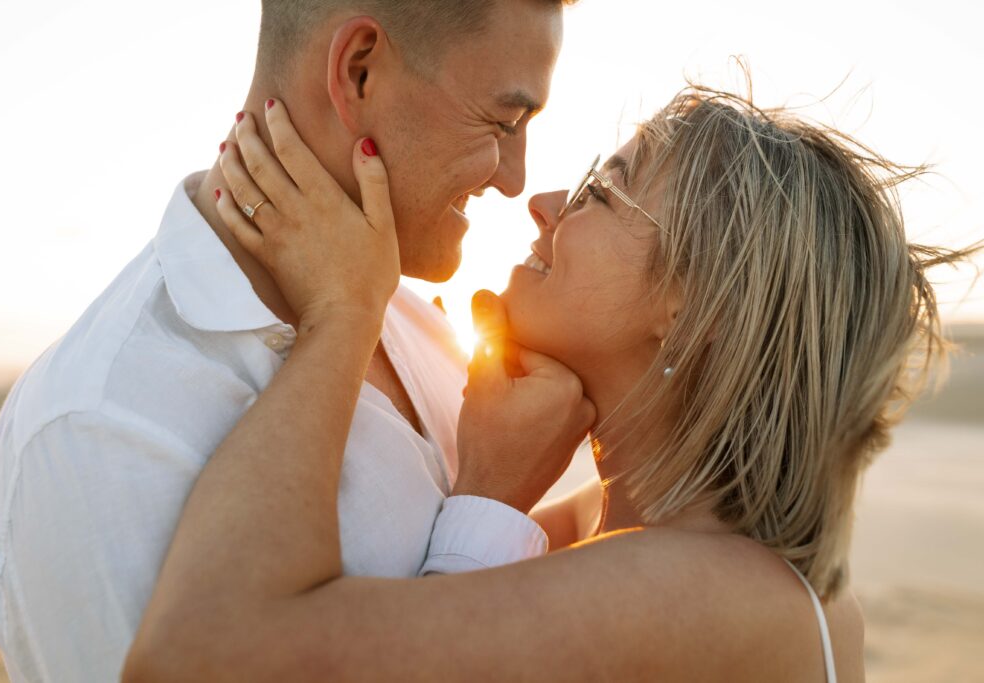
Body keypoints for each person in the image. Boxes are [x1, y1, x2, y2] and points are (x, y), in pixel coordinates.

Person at [125, 84, 980, 682]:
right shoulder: (603, 535)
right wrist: (490, 492)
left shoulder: (710, 594)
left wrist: (342, 315)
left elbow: (197, 657)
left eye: (605, 192)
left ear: (696, 307)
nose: (544, 201)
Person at [0, 2, 575, 680]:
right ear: (359, 72)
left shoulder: (417, 321)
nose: (515, 178)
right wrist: (492, 495)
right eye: (504, 121)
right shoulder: (99, 425)